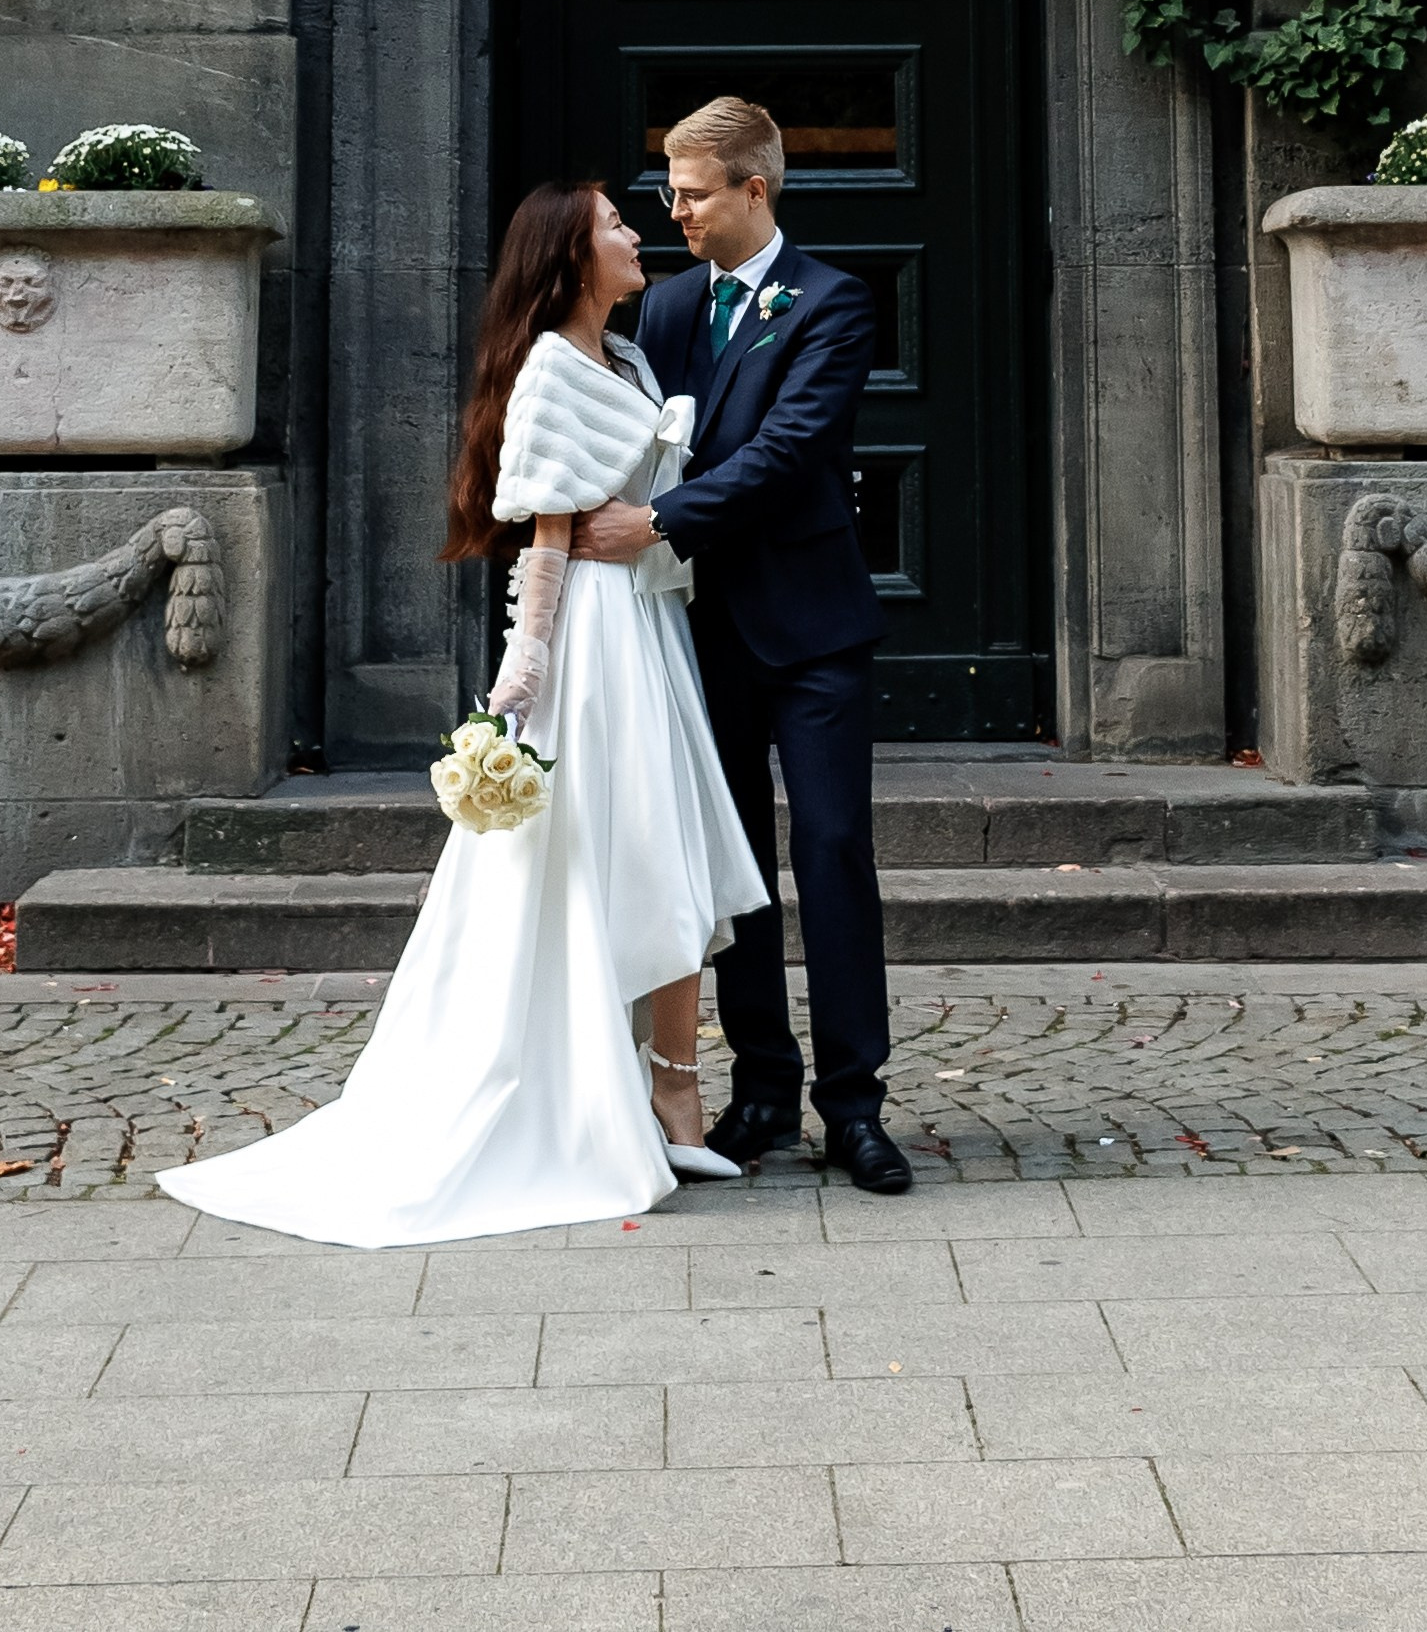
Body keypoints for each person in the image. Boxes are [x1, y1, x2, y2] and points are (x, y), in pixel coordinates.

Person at [155, 180, 767, 1247]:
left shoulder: (625, 357)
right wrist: (516, 683)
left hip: (650, 626)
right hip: (595, 646)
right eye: (615, 224)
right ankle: (630, 1099)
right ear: (573, 257)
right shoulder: (549, 372)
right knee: (606, 857)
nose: (636, 232)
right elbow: (544, 541)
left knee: (664, 853)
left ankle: (674, 1095)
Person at [572, 92, 911, 1194]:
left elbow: (789, 446)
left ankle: (854, 1105)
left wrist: (658, 520)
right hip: (694, 627)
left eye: (693, 192)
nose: (673, 210)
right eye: (667, 192)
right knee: (730, 872)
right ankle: (761, 1085)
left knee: (830, 853)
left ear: (753, 188)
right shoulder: (664, 308)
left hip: (812, 629)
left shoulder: (833, 302)